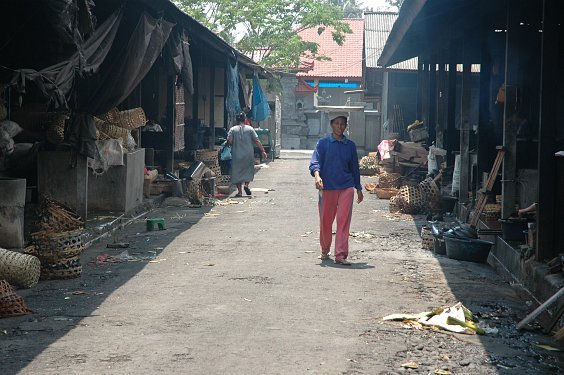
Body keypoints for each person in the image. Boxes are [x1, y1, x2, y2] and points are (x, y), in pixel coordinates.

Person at [309, 115, 363, 265]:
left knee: (343, 221)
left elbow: (354, 168)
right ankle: (325, 250)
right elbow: (315, 162)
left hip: (346, 187)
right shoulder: (323, 144)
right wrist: (317, 176)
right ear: (331, 125)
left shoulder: (350, 146)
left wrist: (358, 188)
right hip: (327, 188)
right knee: (325, 221)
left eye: (343, 124)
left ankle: (340, 255)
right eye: (337, 124)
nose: (340, 127)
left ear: (346, 126)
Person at [227, 112, 267, 197]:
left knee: (237, 172)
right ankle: (246, 185)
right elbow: (257, 140)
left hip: (237, 154)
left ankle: (239, 192)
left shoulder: (233, 129)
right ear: (245, 120)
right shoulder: (250, 129)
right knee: (248, 170)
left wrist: (229, 142)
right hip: (248, 154)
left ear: (237, 120)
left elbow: (229, 141)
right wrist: (263, 150)